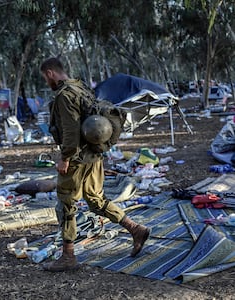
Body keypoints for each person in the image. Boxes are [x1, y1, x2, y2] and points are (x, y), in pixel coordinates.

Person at [40, 57, 150, 272]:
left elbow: (71, 131)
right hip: (93, 156)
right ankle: (135, 229)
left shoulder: (65, 95)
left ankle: (68, 256)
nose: (47, 82)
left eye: (46, 78)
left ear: (50, 73)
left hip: (77, 159)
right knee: (96, 200)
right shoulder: (81, 87)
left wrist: (65, 158)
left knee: (66, 204)